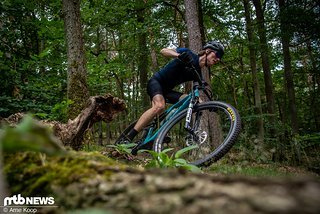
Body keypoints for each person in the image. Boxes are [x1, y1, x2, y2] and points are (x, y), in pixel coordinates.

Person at [125, 41, 224, 147]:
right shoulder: (188, 53)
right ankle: (128, 137)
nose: (218, 59)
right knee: (159, 106)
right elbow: (163, 51)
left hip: (168, 91)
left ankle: (162, 128)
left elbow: (196, 92)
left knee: (192, 100)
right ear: (208, 51)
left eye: (220, 58)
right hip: (157, 82)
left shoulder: (197, 73)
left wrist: (208, 105)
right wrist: (179, 55)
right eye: (217, 55)